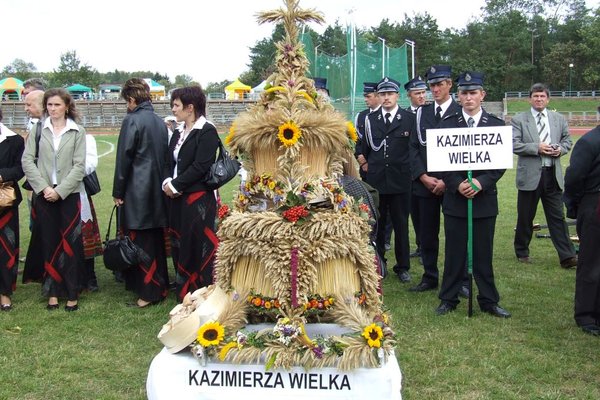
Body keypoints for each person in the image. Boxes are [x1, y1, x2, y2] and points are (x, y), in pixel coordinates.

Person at [435, 72, 510, 318]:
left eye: (473, 93)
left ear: (482, 95)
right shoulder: (447, 125)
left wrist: (480, 181)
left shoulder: (497, 125)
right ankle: (448, 298)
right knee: (454, 252)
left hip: (484, 200)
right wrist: (457, 184)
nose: (468, 97)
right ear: (458, 96)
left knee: (483, 253)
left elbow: (498, 165)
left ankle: (488, 300)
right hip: (456, 200)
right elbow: (442, 163)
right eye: (464, 93)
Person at [21, 88, 86, 312]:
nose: (53, 109)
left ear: (66, 106)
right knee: (49, 242)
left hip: (69, 195)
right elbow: (28, 160)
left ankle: (72, 291)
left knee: (71, 243)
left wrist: (61, 191)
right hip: (44, 194)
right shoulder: (39, 129)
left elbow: (80, 166)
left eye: (57, 105)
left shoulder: (77, 131)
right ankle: (52, 292)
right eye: (49, 105)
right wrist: (44, 188)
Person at [113, 78, 169, 308]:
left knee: (141, 241)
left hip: (137, 192)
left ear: (132, 99)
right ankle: (161, 284)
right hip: (158, 191)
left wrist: (118, 191)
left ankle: (147, 292)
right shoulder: (159, 121)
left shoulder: (132, 120)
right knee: (155, 240)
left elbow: (123, 159)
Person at [409, 65, 462, 293]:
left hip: (452, 186)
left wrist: (447, 181)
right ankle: (430, 276)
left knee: (455, 236)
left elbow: (464, 152)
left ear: (449, 85)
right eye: (432, 85)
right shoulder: (422, 113)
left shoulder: (461, 112)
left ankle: (459, 280)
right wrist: (422, 176)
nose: (436, 89)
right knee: (427, 235)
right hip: (426, 184)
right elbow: (412, 148)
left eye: (440, 84)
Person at [163, 86, 219, 302]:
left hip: (198, 198)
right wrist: (168, 182)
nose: (173, 109)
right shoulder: (177, 131)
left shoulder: (207, 130)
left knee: (197, 243)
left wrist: (176, 185)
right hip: (175, 197)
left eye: (176, 105)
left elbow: (201, 166)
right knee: (178, 241)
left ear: (190, 107)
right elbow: (168, 161)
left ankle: (200, 289)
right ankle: (183, 287)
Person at [512, 83, 577, 268]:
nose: (539, 99)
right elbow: (513, 144)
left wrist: (560, 150)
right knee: (525, 217)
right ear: (530, 99)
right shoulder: (519, 119)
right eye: (535, 96)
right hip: (530, 177)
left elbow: (567, 140)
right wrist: (536, 148)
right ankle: (522, 251)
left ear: (548, 99)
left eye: (542, 96)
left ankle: (567, 256)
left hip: (552, 175)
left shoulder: (558, 118)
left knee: (557, 217)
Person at [361, 77, 415, 283]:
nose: (386, 98)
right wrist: (365, 165)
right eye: (382, 94)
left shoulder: (408, 118)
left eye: (390, 94)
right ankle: (379, 262)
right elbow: (365, 149)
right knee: (378, 225)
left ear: (397, 96)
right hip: (377, 181)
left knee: (401, 225)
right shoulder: (370, 120)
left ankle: (403, 267)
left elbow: (413, 148)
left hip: (401, 180)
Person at [563, 114, 600, 336]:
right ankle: (587, 315)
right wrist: (575, 206)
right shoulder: (589, 141)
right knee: (592, 262)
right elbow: (574, 177)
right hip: (595, 204)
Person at [0, 107, 25, 311]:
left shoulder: (15, 140)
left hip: (5, 203)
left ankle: (4, 293)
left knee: (6, 249)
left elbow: (20, 169)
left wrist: (1, 175)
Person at [404, 75, 428, 260]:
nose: (422, 96)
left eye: (423, 92)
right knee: (415, 212)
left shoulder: (429, 113)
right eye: (417, 93)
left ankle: (426, 247)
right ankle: (420, 245)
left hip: (425, 171)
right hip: (408, 173)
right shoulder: (406, 116)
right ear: (409, 95)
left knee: (426, 212)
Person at [81, 134, 103, 292]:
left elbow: (89, 164)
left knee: (85, 233)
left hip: (78, 190)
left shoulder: (84, 137)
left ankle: (89, 277)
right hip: (54, 191)